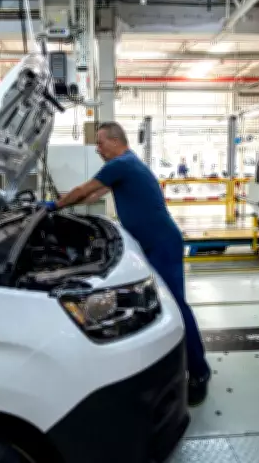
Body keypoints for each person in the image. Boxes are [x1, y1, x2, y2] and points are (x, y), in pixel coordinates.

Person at [41, 122, 211, 406]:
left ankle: (200, 373)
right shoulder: (125, 165)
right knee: (161, 306)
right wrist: (66, 208)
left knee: (178, 306)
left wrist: (53, 206)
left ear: (115, 140)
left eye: (100, 143)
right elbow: (93, 195)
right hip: (153, 243)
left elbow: (84, 190)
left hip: (162, 244)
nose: (97, 149)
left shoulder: (121, 164)